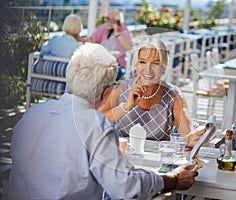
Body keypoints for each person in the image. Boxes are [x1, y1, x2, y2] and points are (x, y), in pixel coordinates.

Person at [7, 43, 198, 199]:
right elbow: (126, 188)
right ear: (106, 93)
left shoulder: (31, 114)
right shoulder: (95, 124)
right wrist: (171, 179)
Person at [100, 38, 205, 147]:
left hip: (158, 160)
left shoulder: (174, 95)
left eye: (155, 63)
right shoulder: (119, 89)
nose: (148, 69)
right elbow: (97, 122)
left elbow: (186, 136)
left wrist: (193, 138)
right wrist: (125, 107)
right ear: (136, 64)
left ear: (164, 66)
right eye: (142, 62)